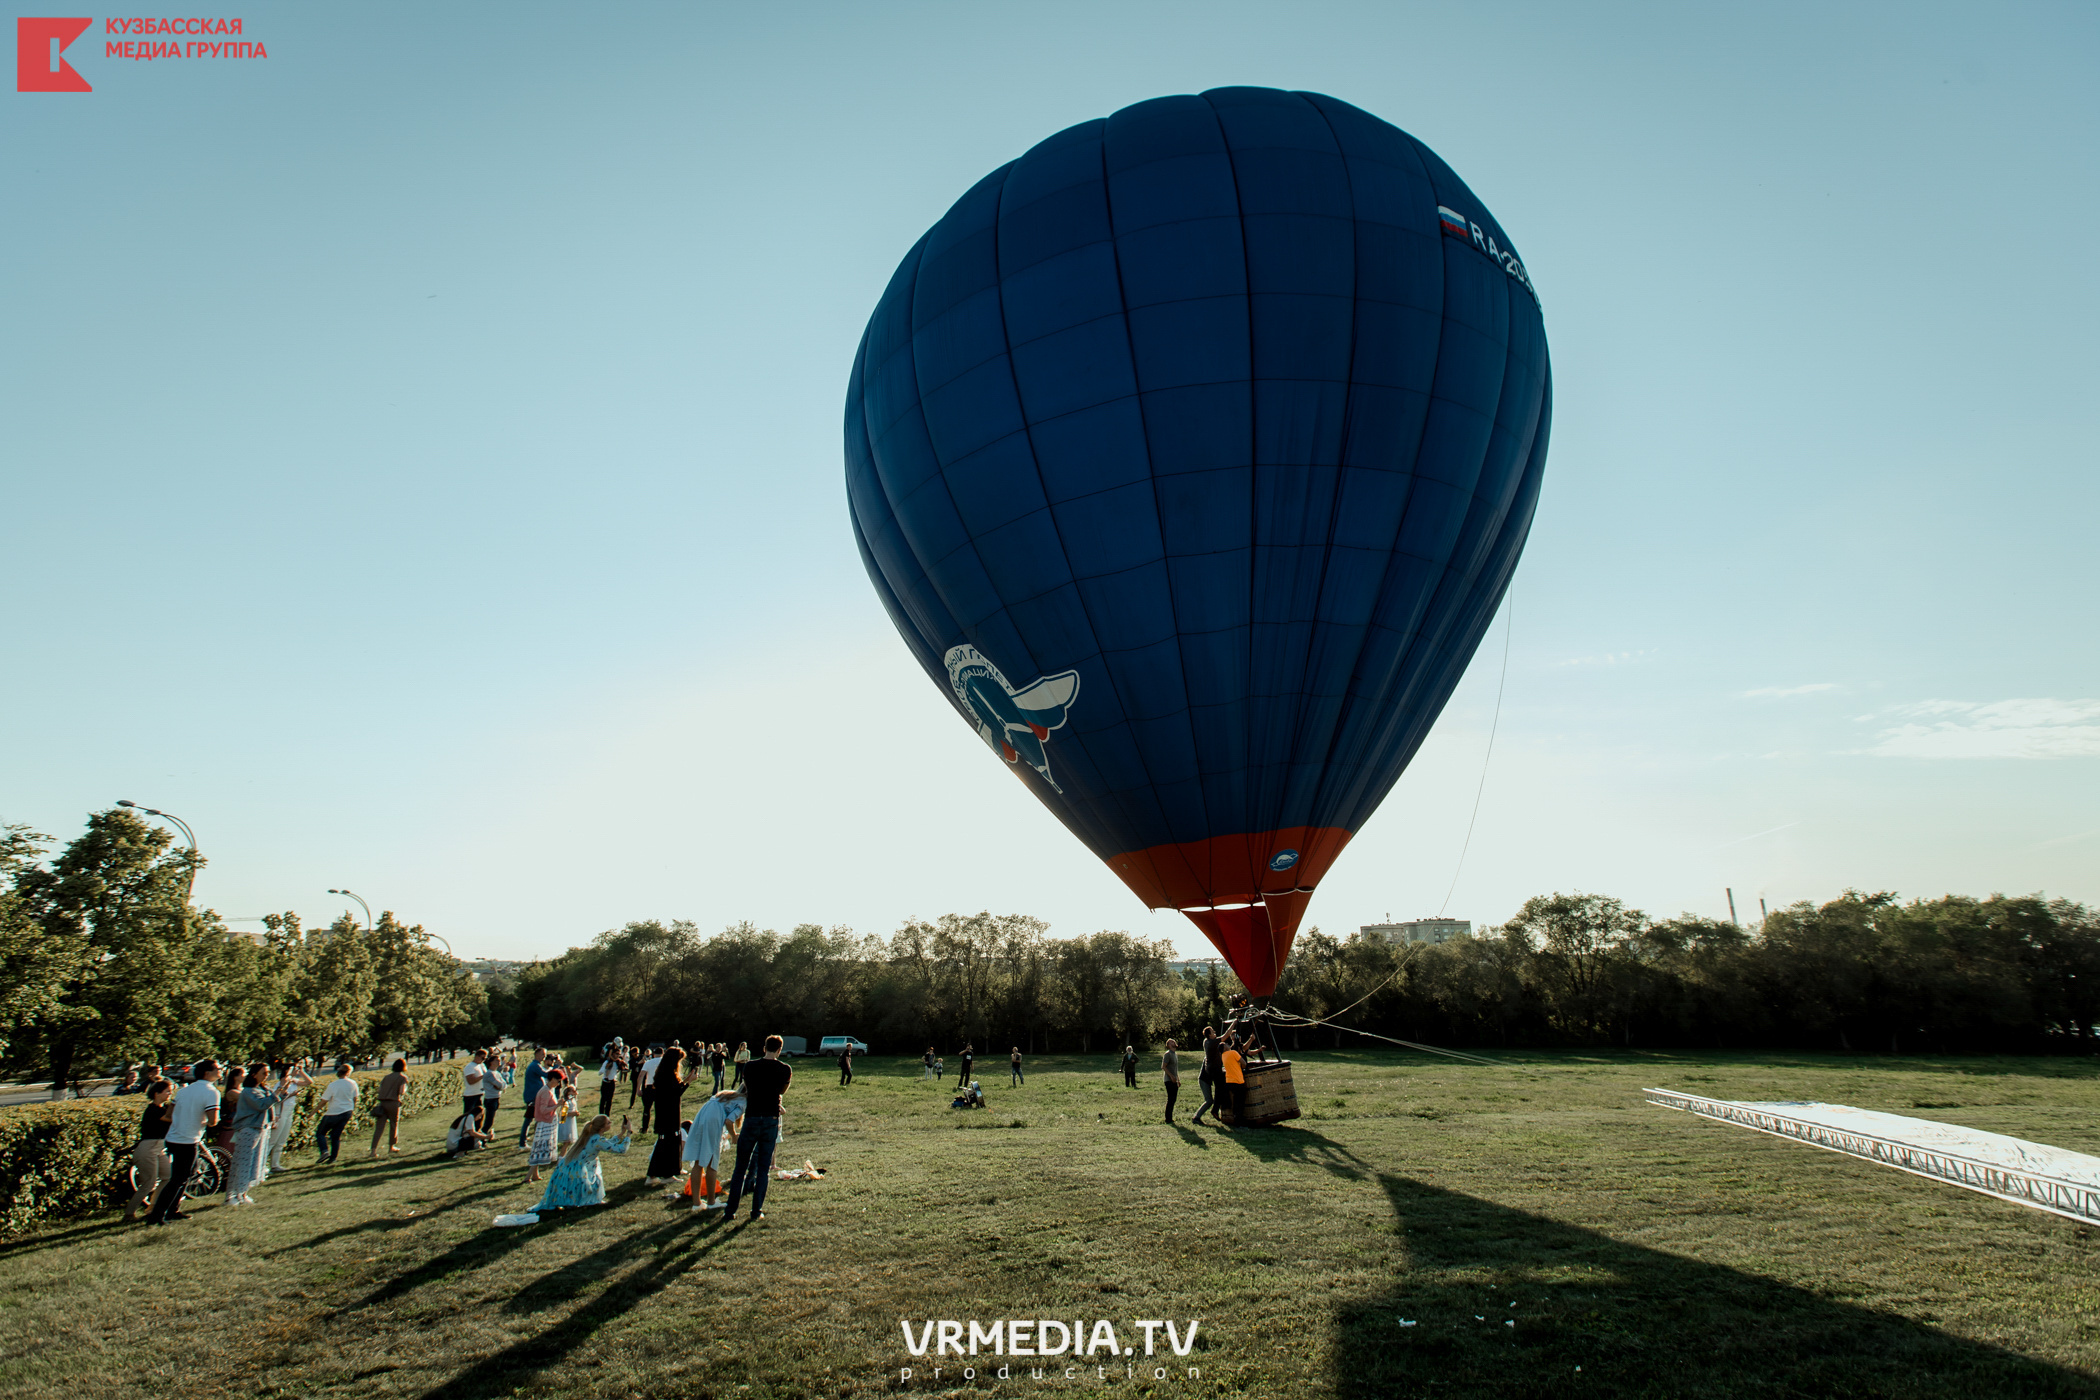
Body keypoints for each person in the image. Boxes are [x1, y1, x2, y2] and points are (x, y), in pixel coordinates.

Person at [720, 1035, 791, 1225]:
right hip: (770, 1119)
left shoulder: (750, 1067)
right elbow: (782, 1091)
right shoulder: (784, 1069)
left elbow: (748, 1087)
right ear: (779, 1050)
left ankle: (730, 1210)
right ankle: (756, 1210)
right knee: (763, 1169)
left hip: (751, 1117)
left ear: (764, 1048)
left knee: (740, 1168)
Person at [148, 1058, 220, 1225]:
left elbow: (168, 1115)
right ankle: (156, 1215)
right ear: (207, 1073)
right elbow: (213, 1121)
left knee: (186, 1175)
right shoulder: (211, 1092)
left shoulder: (183, 1091)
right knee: (178, 1179)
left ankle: (173, 1210)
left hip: (173, 1138)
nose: (220, 1071)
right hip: (187, 1140)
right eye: (217, 1069)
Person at [530, 1113, 633, 1210]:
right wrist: (628, 1133)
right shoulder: (597, 1140)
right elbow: (621, 1149)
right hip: (577, 1170)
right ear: (602, 1128)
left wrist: (622, 1133)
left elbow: (608, 1143)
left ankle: (574, 1203)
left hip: (569, 1166)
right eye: (608, 1123)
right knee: (585, 1188)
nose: (610, 1123)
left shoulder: (591, 1136)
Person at [683, 1088, 746, 1212]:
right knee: (712, 1160)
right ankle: (711, 1201)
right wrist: (734, 1135)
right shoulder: (743, 1102)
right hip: (714, 1118)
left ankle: (697, 1203)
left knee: (698, 1160)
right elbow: (729, 1121)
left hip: (704, 1113)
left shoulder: (728, 1095)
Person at [225, 1061, 276, 1205]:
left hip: (260, 1128)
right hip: (248, 1129)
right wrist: (276, 1095)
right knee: (243, 1163)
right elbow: (261, 1105)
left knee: (253, 1163)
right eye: (264, 1073)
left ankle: (242, 1193)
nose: (266, 1076)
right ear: (254, 1075)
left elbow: (269, 1103)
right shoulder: (248, 1091)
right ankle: (234, 1195)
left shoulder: (262, 1089)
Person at [125, 1080, 175, 1223]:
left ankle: (152, 1208)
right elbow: (169, 1118)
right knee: (149, 1183)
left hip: (158, 1149)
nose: (170, 1094)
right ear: (157, 1093)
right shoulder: (154, 1110)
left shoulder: (162, 1108)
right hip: (148, 1149)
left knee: (168, 1177)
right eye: (167, 1091)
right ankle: (129, 1213)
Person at [645, 1046, 689, 1181]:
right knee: (666, 1143)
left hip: (667, 1112)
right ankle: (665, 1174)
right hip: (668, 1113)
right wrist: (689, 1082)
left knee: (669, 1142)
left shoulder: (664, 1073)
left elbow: (675, 1090)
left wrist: (686, 1081)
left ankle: (668, 1171)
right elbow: (675, 1093)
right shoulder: (667, 1075)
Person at [265, 1061, 310, 1177]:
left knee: (281, 1140)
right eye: (292, 1069)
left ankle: (275, 1164)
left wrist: (302, 1072)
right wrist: (292, 1094)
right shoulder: (283, 1082)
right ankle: (262, 1166)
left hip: (289, 1111)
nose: (294, 1071)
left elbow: (309, 1082)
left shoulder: (293, 1080)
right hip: (280, 1112)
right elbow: (279, 1098)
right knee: (272, 1140)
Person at [315, 1063, 359, 1163]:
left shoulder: (333, 1085)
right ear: (348, 1073)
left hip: (333, 1112)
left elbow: (324, 1101)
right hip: (347, 1111)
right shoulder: (353, 1083)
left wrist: (312, 1113)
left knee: (320, 1133)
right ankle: (333, 1158)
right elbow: (355, 1098)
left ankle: (324, 1151)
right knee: (335, 1135)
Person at [527, 1068, 565, 1182]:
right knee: (539, 1150)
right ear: (552, 1079)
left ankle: (534, 1174)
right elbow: (543, 1110)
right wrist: (557, 1106)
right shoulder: (545, 1091)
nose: (558, 1083)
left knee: (539, 1149)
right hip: (544, 1123)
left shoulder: (550, 1090)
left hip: (548, 1122)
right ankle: (528, 1176)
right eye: (558, 1081)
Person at [370, 1058, 409, 1157]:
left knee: (379, 1127)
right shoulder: (402, 1078)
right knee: (393, 1125)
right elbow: (401, 1091)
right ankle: (391, 1147)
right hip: (393, 1102)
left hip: (382, 1103)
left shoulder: (386, 1077)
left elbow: (380, 1089)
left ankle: (373, 1150)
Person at [518, 1047, 549, 1148]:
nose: (544, 1056)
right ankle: (522, 1142)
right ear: (537, 1054)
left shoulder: (536, 1065)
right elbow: (545, 1074)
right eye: (542, 1054)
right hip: (533, 1097)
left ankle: (525, 1140)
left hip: (533, 1096)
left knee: (531, 1119)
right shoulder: (535, 1066)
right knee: (529, 1119)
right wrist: (557, 1068)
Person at [1191, 1026, 1221, 1127]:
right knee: (1209, 1100)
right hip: (1203, 1080)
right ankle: (1196, 1117)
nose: (1214, 1032)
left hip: (1206, 1079)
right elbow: (1224, 1037)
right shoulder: (1210, 1047)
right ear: (1209, 1034)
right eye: (1212, 1031)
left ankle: (1198, 1117)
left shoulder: (1208, 1047)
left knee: (1210, 1100)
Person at [1219, 1036, 1246, 1130]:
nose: (1228, 1044)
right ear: (1224, 1048)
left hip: (1229, 1081)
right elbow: (1244, 1063)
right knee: (1240, 1103)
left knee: (1235, 1102)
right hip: (1238, 1080)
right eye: (1226, 1044)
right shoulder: (1234, 1053)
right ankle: (1239, 1123)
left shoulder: (1223, 1056)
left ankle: (1235, 1120)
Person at [638, 1044, 663, 1135]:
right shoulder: (665, 1062)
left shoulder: (648, 1062)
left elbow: (641, 1076)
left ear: (653, 1054)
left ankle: (645, 1128)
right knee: (659, 1109)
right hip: (661, 1088)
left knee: (647, 1108)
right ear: (662, 1054)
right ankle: (657, 1128)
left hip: (649, 1087)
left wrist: (638, 1088)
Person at [462, 1049, 489, 1128]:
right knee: (469, 1117)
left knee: (480, 1116)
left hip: (480, 1093)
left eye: (485, 1059)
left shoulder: (482, 1065)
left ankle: (477, 1133)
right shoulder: (470, 1067)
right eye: (482, 1058)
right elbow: (471, 1081)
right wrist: (483, 1076)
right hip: (471, 1095)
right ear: (476, 1056)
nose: (483, 1060)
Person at [480, 1049, 505, 1133]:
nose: (499, 1062)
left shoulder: (497, 1073)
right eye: (497, 1060)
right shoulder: (489, 1074)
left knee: (491, 1120)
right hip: (490, 1099)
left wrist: (500, 1086)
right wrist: (500, 1086)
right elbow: (500, 1085)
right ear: (491, 1062)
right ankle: (482, 1137)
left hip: (496, 1098)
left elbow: (504, 1084)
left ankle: (484, 1137)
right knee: (489, 1121)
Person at [598, 1039, 623, 1119]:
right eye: (616, 1054)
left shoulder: (617, 1063)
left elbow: (619, 1071)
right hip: (605, 1082)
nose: (617, 1055)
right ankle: (601, 1115)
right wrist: (606, 1068)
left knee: (609, 1100)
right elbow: (600, 1072)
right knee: (603, 1100)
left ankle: (607, 1116)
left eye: (619, 1054)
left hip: (612, 1082)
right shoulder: (607, 1062)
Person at [1161, 1039, 1181, 1123]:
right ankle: (1168, 1118)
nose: (1174, 1042)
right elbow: (1163, 1066)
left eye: (1173, 1041)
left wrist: (1178, 1079)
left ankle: (1170, 1117)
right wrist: (1171, 1076)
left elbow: (1175, 1069)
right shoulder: (1168, 1054)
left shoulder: (1175, 1054)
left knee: (1173, 1099)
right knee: (1170, 1099)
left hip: (1174, 1080)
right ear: (1168, 1045)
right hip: (1168, 1080)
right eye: (1171, 1042)